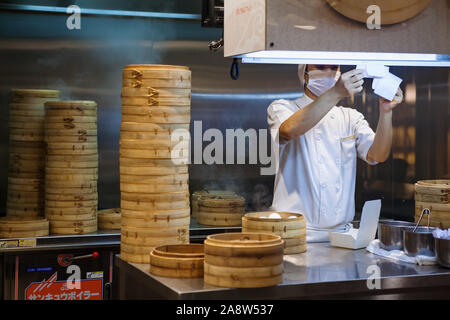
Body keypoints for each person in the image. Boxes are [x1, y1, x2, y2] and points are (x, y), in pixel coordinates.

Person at [267, 64, 403, 242]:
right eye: (321, 67)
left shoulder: (350, 117)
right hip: (292, 234)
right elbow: (289, 130)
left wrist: (386, 112)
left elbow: (378, 155)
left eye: (334, 67)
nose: (329, 73)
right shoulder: (282, 108)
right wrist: (336, 93)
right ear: (305, 74)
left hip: (341, 236)